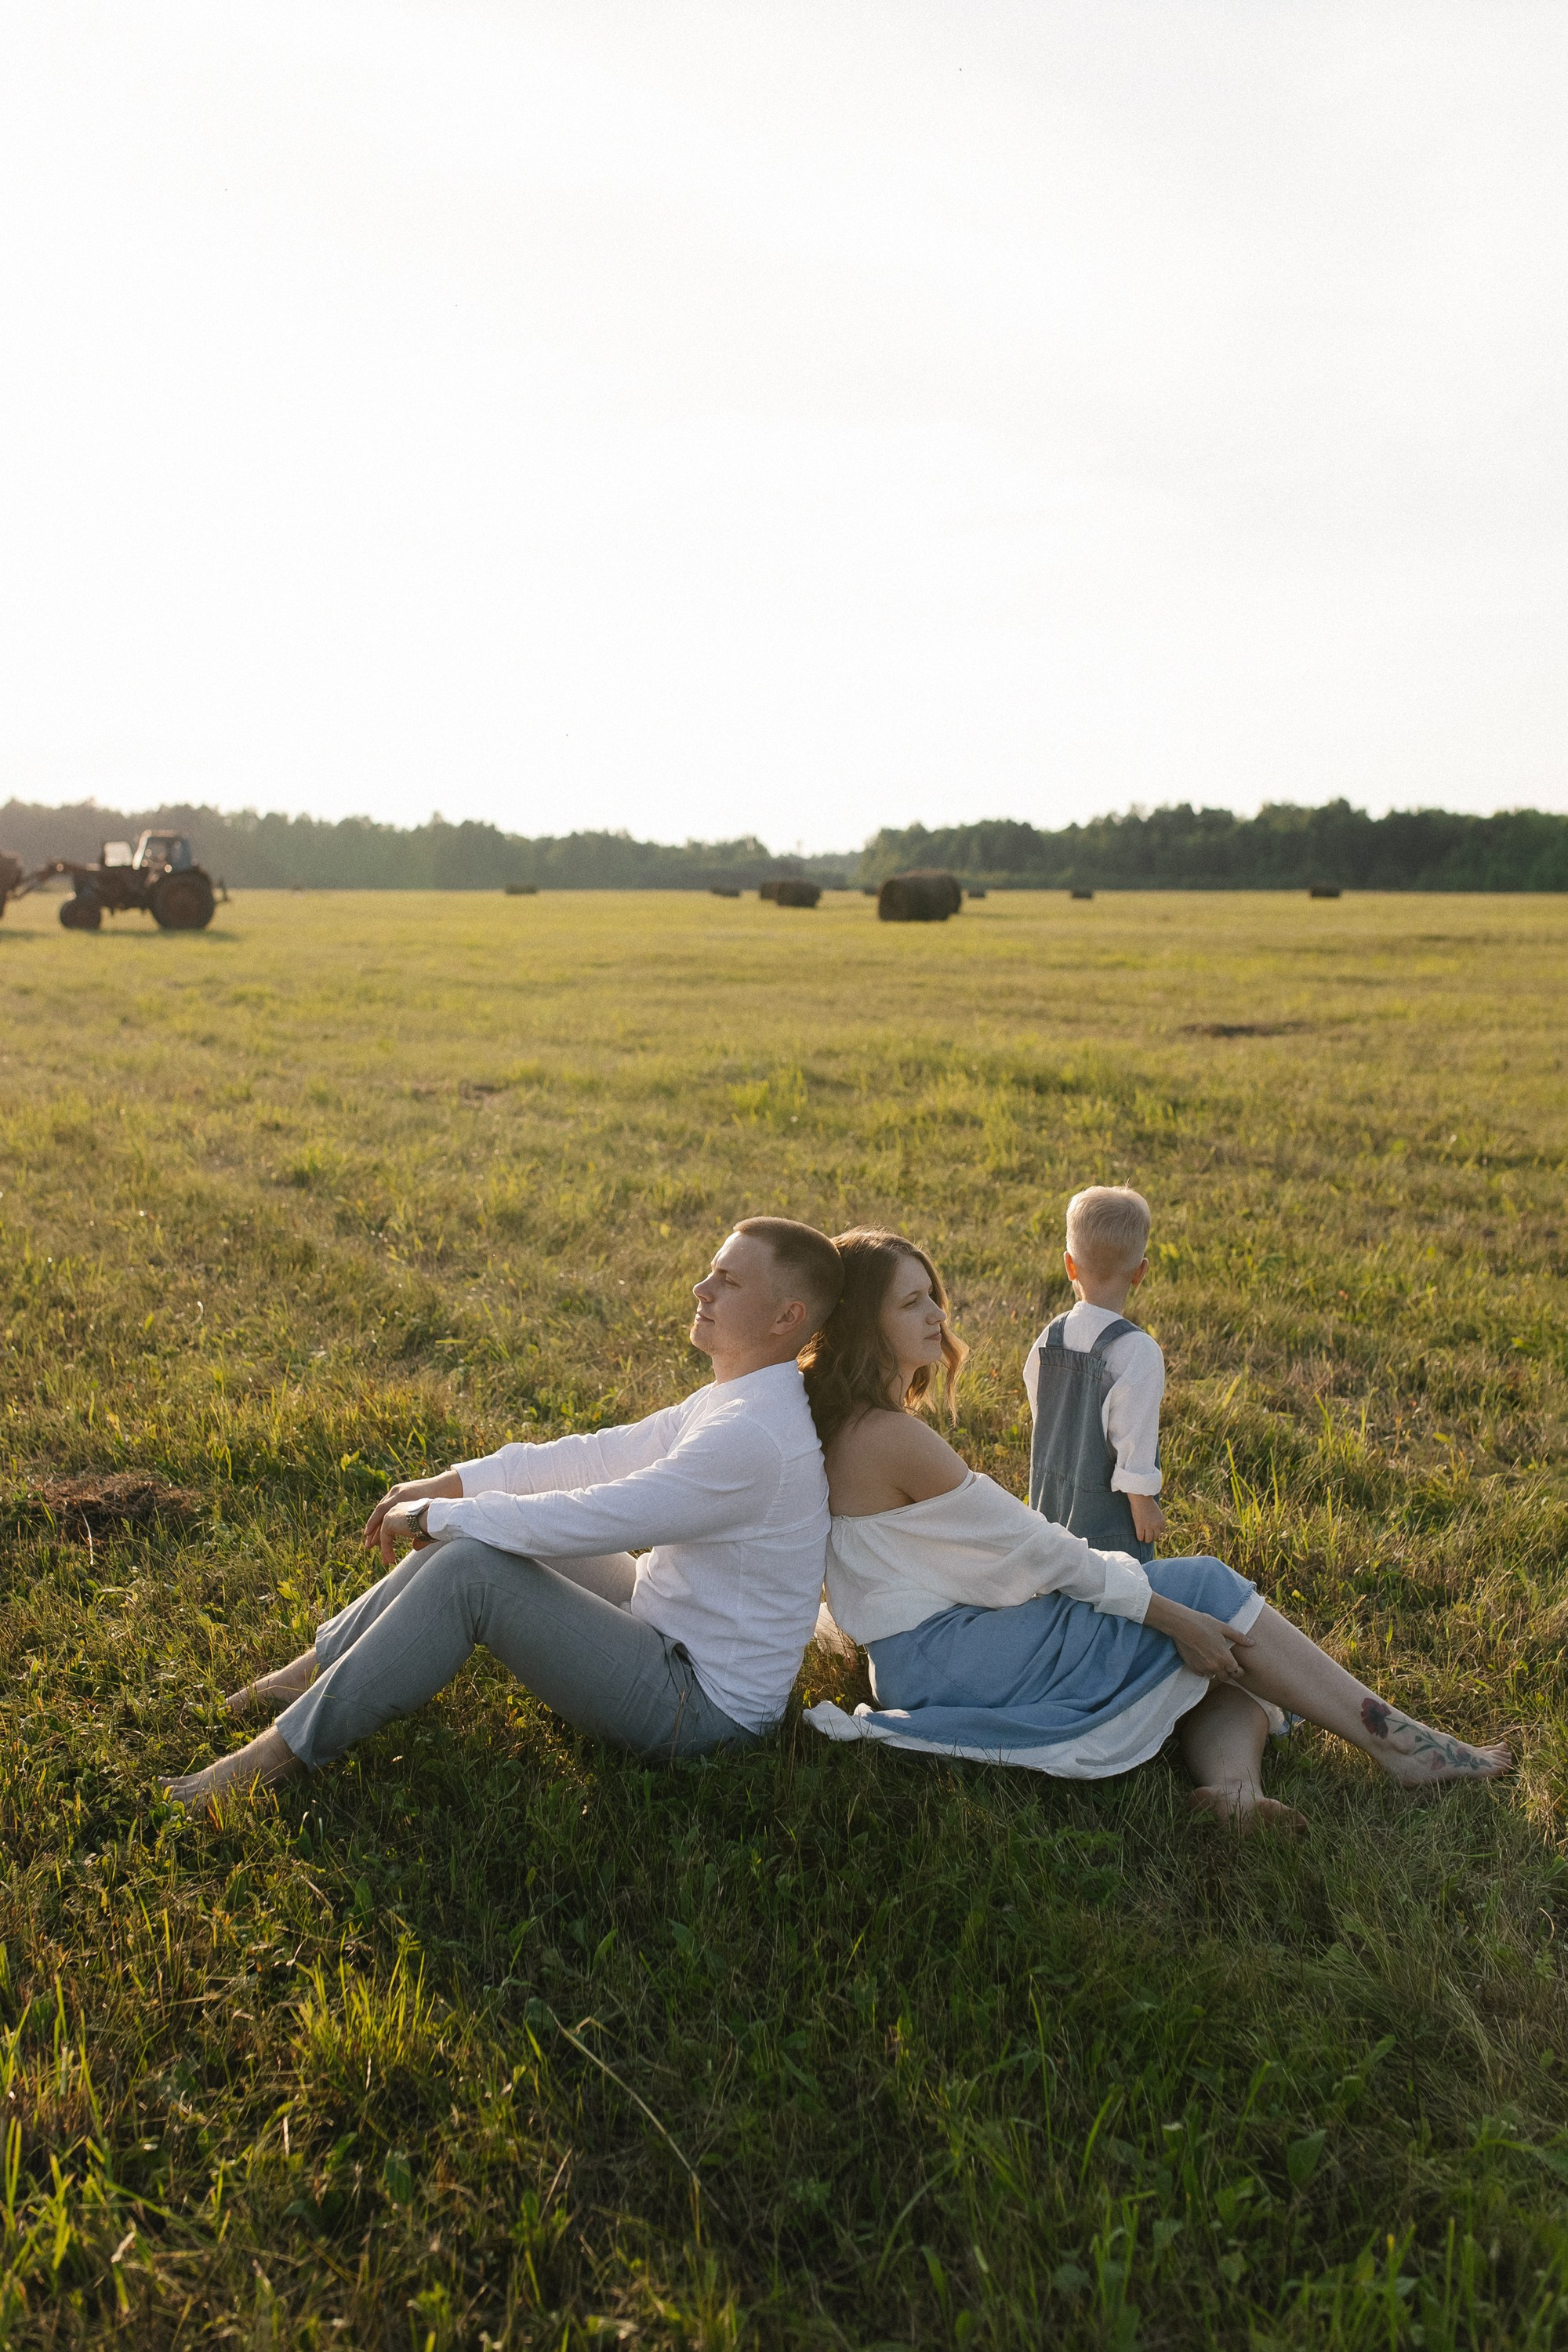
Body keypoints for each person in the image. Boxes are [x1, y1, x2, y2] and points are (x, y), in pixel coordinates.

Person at [800, 1229, 1511, 1830]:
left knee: (1224, 1648)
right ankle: (1403, 1746)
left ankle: (1235, 1792)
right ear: (864, 1324)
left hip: (926, 1658)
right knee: (1204, 1592)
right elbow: (1037, 1549)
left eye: (933, 1295)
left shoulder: (851, 1425)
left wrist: (1178, 1624)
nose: (937, 1314)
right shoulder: (890, 1436)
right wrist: (1171, 1613)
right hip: (950, 1658)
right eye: (912, 1302)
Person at [164, 1217, 844, 1806]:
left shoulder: (752, 1436)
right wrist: (453, 1484)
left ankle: (276, 1756)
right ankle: (311, 1673)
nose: (701, 1288)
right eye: (711, 1271)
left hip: (701, 1709)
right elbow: (597, 1456)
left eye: (729, 1281)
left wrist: (438, 1520)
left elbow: (600, 1516)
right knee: (486, 1527)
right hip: (657, 1619)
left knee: (473, 1569)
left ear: (786, 1318)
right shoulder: (739, 1398)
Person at [1025, 1185, 1166, 1564]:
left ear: (1069, 1265)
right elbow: (1133, 1434)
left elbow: (1042, 1407)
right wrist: (1143, 1502)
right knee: (1116, 1583)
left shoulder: (1050, 1336)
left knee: (1058, 1573)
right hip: (1109, 1516)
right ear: (1140, 1273)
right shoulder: (1138, 1351)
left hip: (1052, 1496)